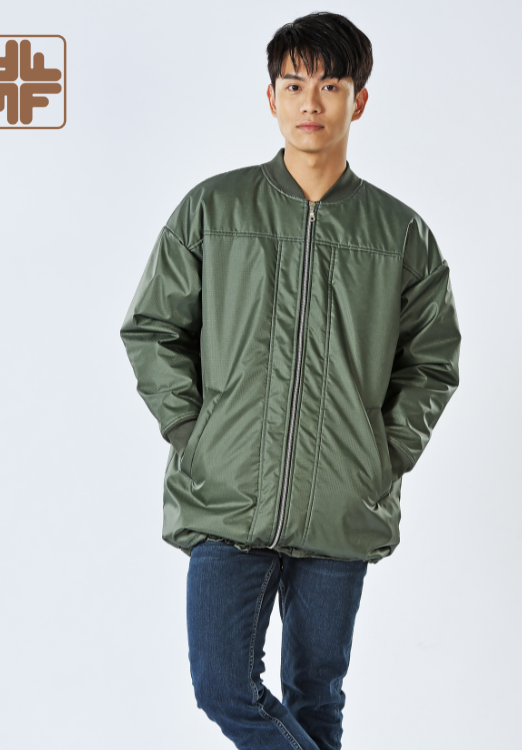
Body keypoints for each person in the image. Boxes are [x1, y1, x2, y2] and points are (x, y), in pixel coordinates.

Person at [120, 11, 461, 750]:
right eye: (295, 84)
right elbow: (152, 328)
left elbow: (432, 361)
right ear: (270, 96)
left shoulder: (399, 234)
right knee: (223, 687)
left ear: (358, 101)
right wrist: (196, 433)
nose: (311, 102)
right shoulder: (214, 209)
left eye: (330, 86)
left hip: (342, 499)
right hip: (226, 496)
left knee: (317, 697)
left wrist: (383, 454)